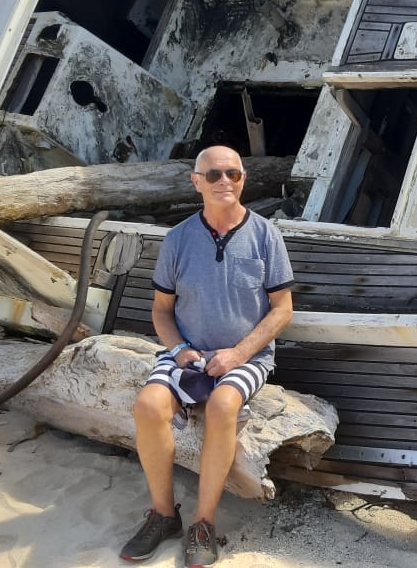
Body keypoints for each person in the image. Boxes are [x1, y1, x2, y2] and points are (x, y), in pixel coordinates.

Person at [121, 145, 294, 566]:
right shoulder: (178, 239)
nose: (224, 182)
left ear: (244, 179)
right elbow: (162, 311)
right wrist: (179, 350)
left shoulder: (266, 235)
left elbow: (282, 309)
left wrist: (239, 353)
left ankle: (203, 522)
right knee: (148, 406)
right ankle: (164, 515)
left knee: (222, 405)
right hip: (188, 350)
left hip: (247, 356)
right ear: (196, 182)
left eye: (233, 174)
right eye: (213, 174)